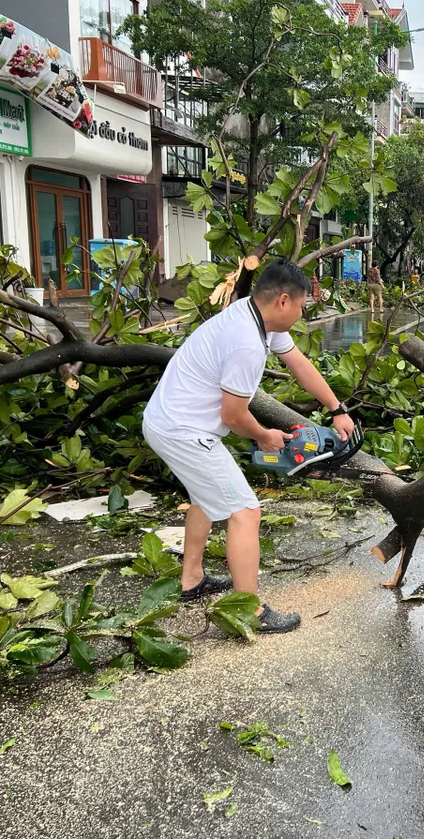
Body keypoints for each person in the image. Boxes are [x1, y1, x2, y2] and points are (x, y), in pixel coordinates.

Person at [142, 260, 356, 633]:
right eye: (303, 306)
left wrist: (336, 409)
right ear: (284, 302)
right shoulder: (246, 343)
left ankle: (191, 580)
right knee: (245, 510)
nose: (303, 314)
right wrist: (264, 435)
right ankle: (249, 610)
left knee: (204, 498)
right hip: (182, 431)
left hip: (168, 422)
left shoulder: (257, 317)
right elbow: (235, 415)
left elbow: (298, 364)